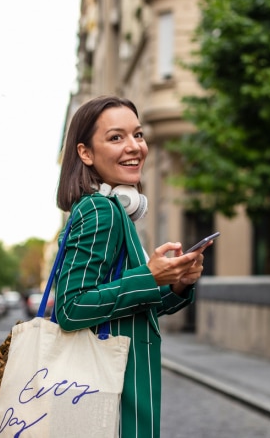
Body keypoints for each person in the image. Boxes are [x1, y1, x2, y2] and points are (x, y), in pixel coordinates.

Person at [55, 95, 211, 437]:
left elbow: (132, 311)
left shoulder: (114, 212)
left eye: (138, 135)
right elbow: (71, 307)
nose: (134, 146)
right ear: (85, 153)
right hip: (111, 403)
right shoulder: (101, 211)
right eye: (116, 137)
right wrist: (148, 275)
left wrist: (176, 284)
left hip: (119, 393)